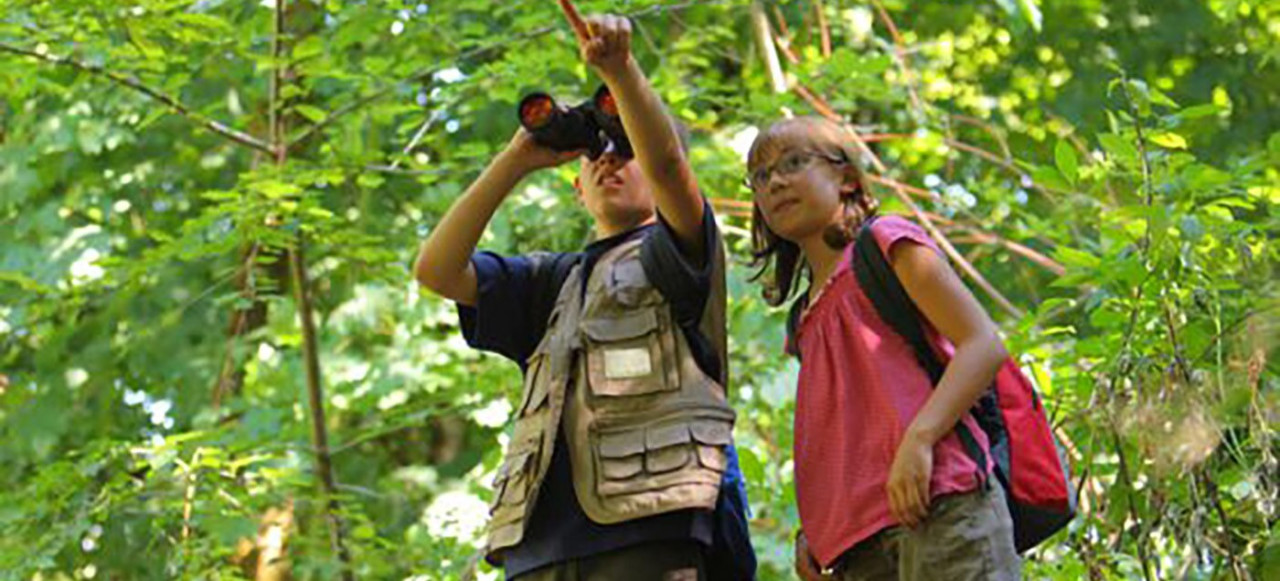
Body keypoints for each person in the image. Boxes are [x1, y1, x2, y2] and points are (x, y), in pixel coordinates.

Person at [415, 5, 754, 580]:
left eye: (628, 152)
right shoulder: (553, 283)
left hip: (648, 533)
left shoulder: (681, 255)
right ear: (577, 188)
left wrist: (621, 74)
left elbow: (669, 166)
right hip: (539, 550)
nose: (611, 160)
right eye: (598, 154)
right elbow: (437, 269)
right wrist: (517, 159)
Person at [745, 116, 1021, 581]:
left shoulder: (886, 245)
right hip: (863, 547)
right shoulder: (804, 320)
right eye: (760, 175)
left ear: (847, 177)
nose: (776, 181)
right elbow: (842, 433)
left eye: (793, 162)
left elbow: (983, 345)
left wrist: (920, 439)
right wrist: (815, 529)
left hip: (943, 509)